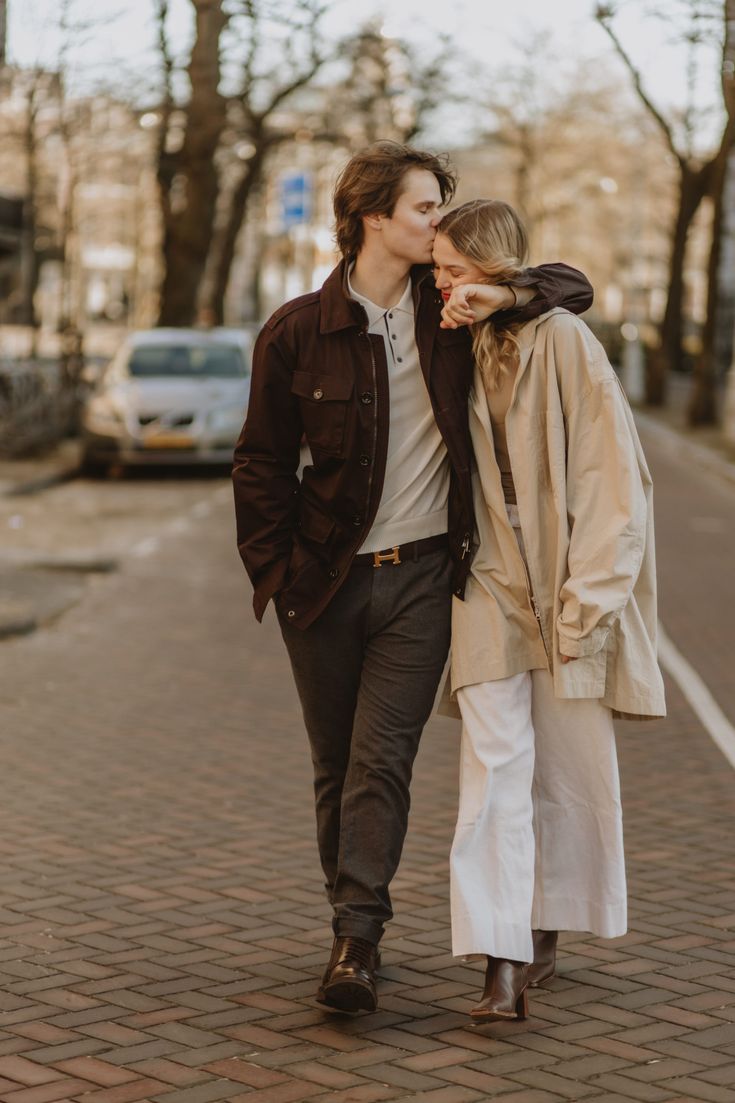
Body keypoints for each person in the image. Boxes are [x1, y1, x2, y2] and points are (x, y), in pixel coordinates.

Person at [232, 142, 593, 1015]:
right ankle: (348, 922)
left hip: (425, 576)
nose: (439, 223)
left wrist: (495, 291)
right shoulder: (295, 329)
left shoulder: (455, 311)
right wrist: (276, 571)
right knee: (334, 765)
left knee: (380, 762)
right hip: (320, 582)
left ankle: (357, 941)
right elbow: (260, 463)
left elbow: (569, 284)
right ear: (373, 218)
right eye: (426, 208)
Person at [432, 198, 666, 1024]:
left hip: (570, 587)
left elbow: (613, 479)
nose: (442, 287)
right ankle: (500, 957)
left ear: (494, 272)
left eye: (454, 271)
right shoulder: (449, 344)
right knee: (492, 774)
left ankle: (547, 925)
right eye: (435, 271)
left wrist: (590, 598)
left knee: (568, 772)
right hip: (489, 585)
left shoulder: (563, 340)